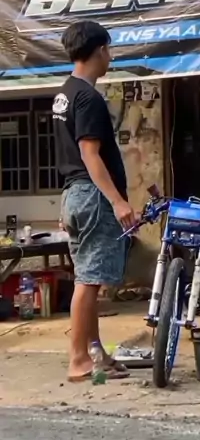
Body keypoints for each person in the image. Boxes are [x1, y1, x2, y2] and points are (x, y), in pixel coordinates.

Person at [53, 20, 137, 383]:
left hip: (75, 194)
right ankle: (78, 360)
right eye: (109, 49)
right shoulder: (88, 97)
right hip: (91, 195)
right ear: (100, 50)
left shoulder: (64, 93)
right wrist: (117, 201)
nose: (110, 56)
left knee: (87, 277)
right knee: (88, 281)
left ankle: (96, 354)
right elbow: (89, 154)